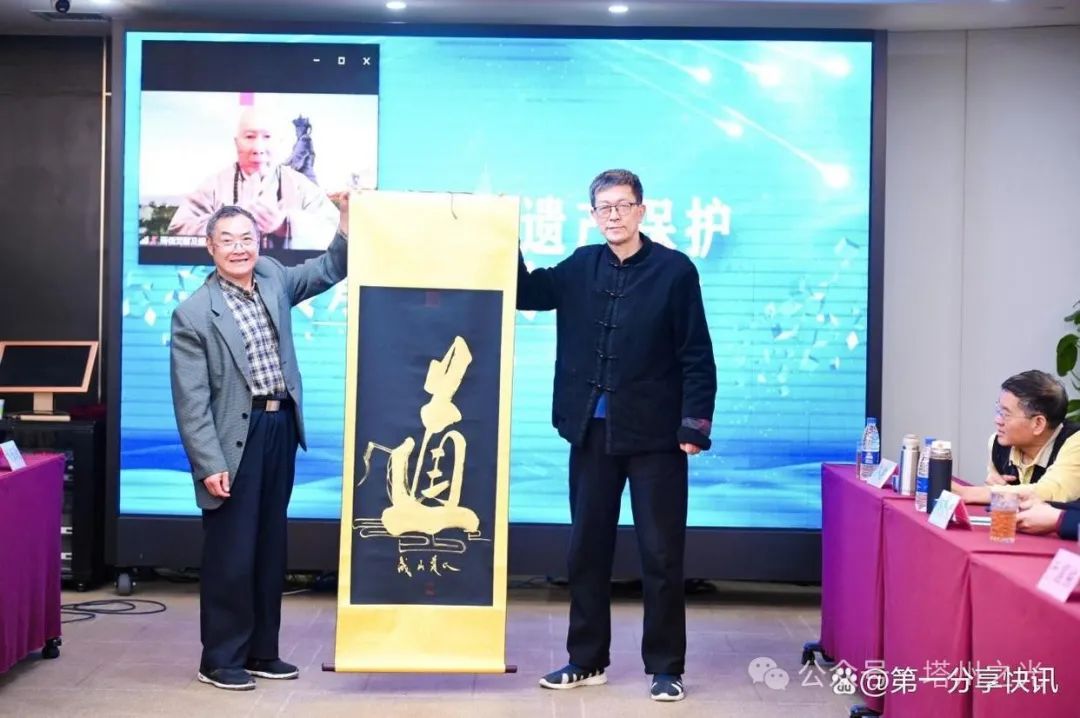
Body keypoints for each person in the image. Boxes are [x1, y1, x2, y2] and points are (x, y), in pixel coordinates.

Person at [518, 169, 717, 702]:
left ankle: (666, 667)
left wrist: (694, 425)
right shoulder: (580, 265)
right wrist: (502, 235)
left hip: (657, 437)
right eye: (604, 207)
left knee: (661, 554)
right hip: (591, 433)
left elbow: (697, 353)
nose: (614, 215)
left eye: (623, 205)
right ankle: (586, 660)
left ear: (641, 211)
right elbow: (525, 292)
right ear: (593, 215)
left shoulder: (675, 271)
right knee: (586, 549)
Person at [170, 199, 348, 691]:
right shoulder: (193, 314)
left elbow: (329, 268)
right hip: (233, 440)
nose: (238, 248)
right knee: (231, 553)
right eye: (226, 240)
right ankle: (219, 659)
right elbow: (191, 401)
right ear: (210, 248)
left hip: (280, 428)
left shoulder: (271, 277)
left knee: (270, 548)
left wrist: (345, 221)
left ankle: (261, 652)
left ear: (259, 242)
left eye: (246, 238)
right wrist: (209, 463)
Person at [167, 107, 339, 251]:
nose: (258, 148)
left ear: (280, 142)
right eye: (249, 137)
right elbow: (177, 230)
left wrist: (286, 224)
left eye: (267, 137)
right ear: (236, 143)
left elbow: (337, 234)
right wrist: (228, 225)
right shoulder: (214, 185)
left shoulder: (301, 186)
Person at [953, 370, 1080, 506]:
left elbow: (1049, 492)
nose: (997, 420)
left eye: (1005, 414)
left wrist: (970, 493)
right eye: (998, 410)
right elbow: (996, 495)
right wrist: (995, 487)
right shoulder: (998, 444)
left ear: (1038, 423)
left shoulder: (1075, 443)